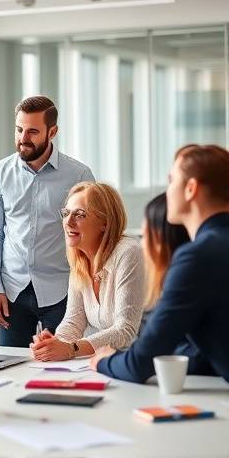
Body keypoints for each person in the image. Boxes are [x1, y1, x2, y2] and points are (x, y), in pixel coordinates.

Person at [91, 144, 229, 383]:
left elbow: (141, 363)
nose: (167, 191)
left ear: (190, 189)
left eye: (171, 180)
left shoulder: (197, 257)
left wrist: (104, 360)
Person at [0, 95, 95, 347]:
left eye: (33, 131)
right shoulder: (0, 173)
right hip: (12, 291)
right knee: (10, 371)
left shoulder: (79, 175)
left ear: (52, 131)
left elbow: (91, 235)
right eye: (19, 129)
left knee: (63, 370)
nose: (23, 138)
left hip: (63, 292)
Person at [30, 182, 145, 361]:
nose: (68, 222)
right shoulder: (80, 258)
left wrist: (71, 349)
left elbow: (126, 330)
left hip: (145, 361)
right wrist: (55, 343)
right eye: (66, 213)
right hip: (109, 361)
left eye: (80, 214)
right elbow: (74, 320)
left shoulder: (128, 252)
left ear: (105, 223)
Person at [141, 192, 215, 374]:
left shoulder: (190, 278)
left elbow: (150, 352)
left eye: (144, 236)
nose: (141, 245)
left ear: (158, 240)